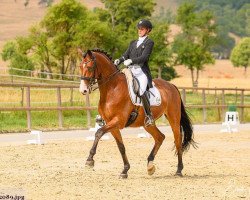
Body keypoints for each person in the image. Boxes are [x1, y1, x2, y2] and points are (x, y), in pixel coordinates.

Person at [114, 19, 155, 127]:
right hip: (130, 71)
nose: (140, 30)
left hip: (141, 72)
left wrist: (132, 60)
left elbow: (144, 57)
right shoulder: (133, 43)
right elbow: (125, 55)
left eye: (142, 29)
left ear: (148, 30)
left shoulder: (149, 42)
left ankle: (149, 116)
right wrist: (120, 60)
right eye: (139, 28)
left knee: (140, 90)